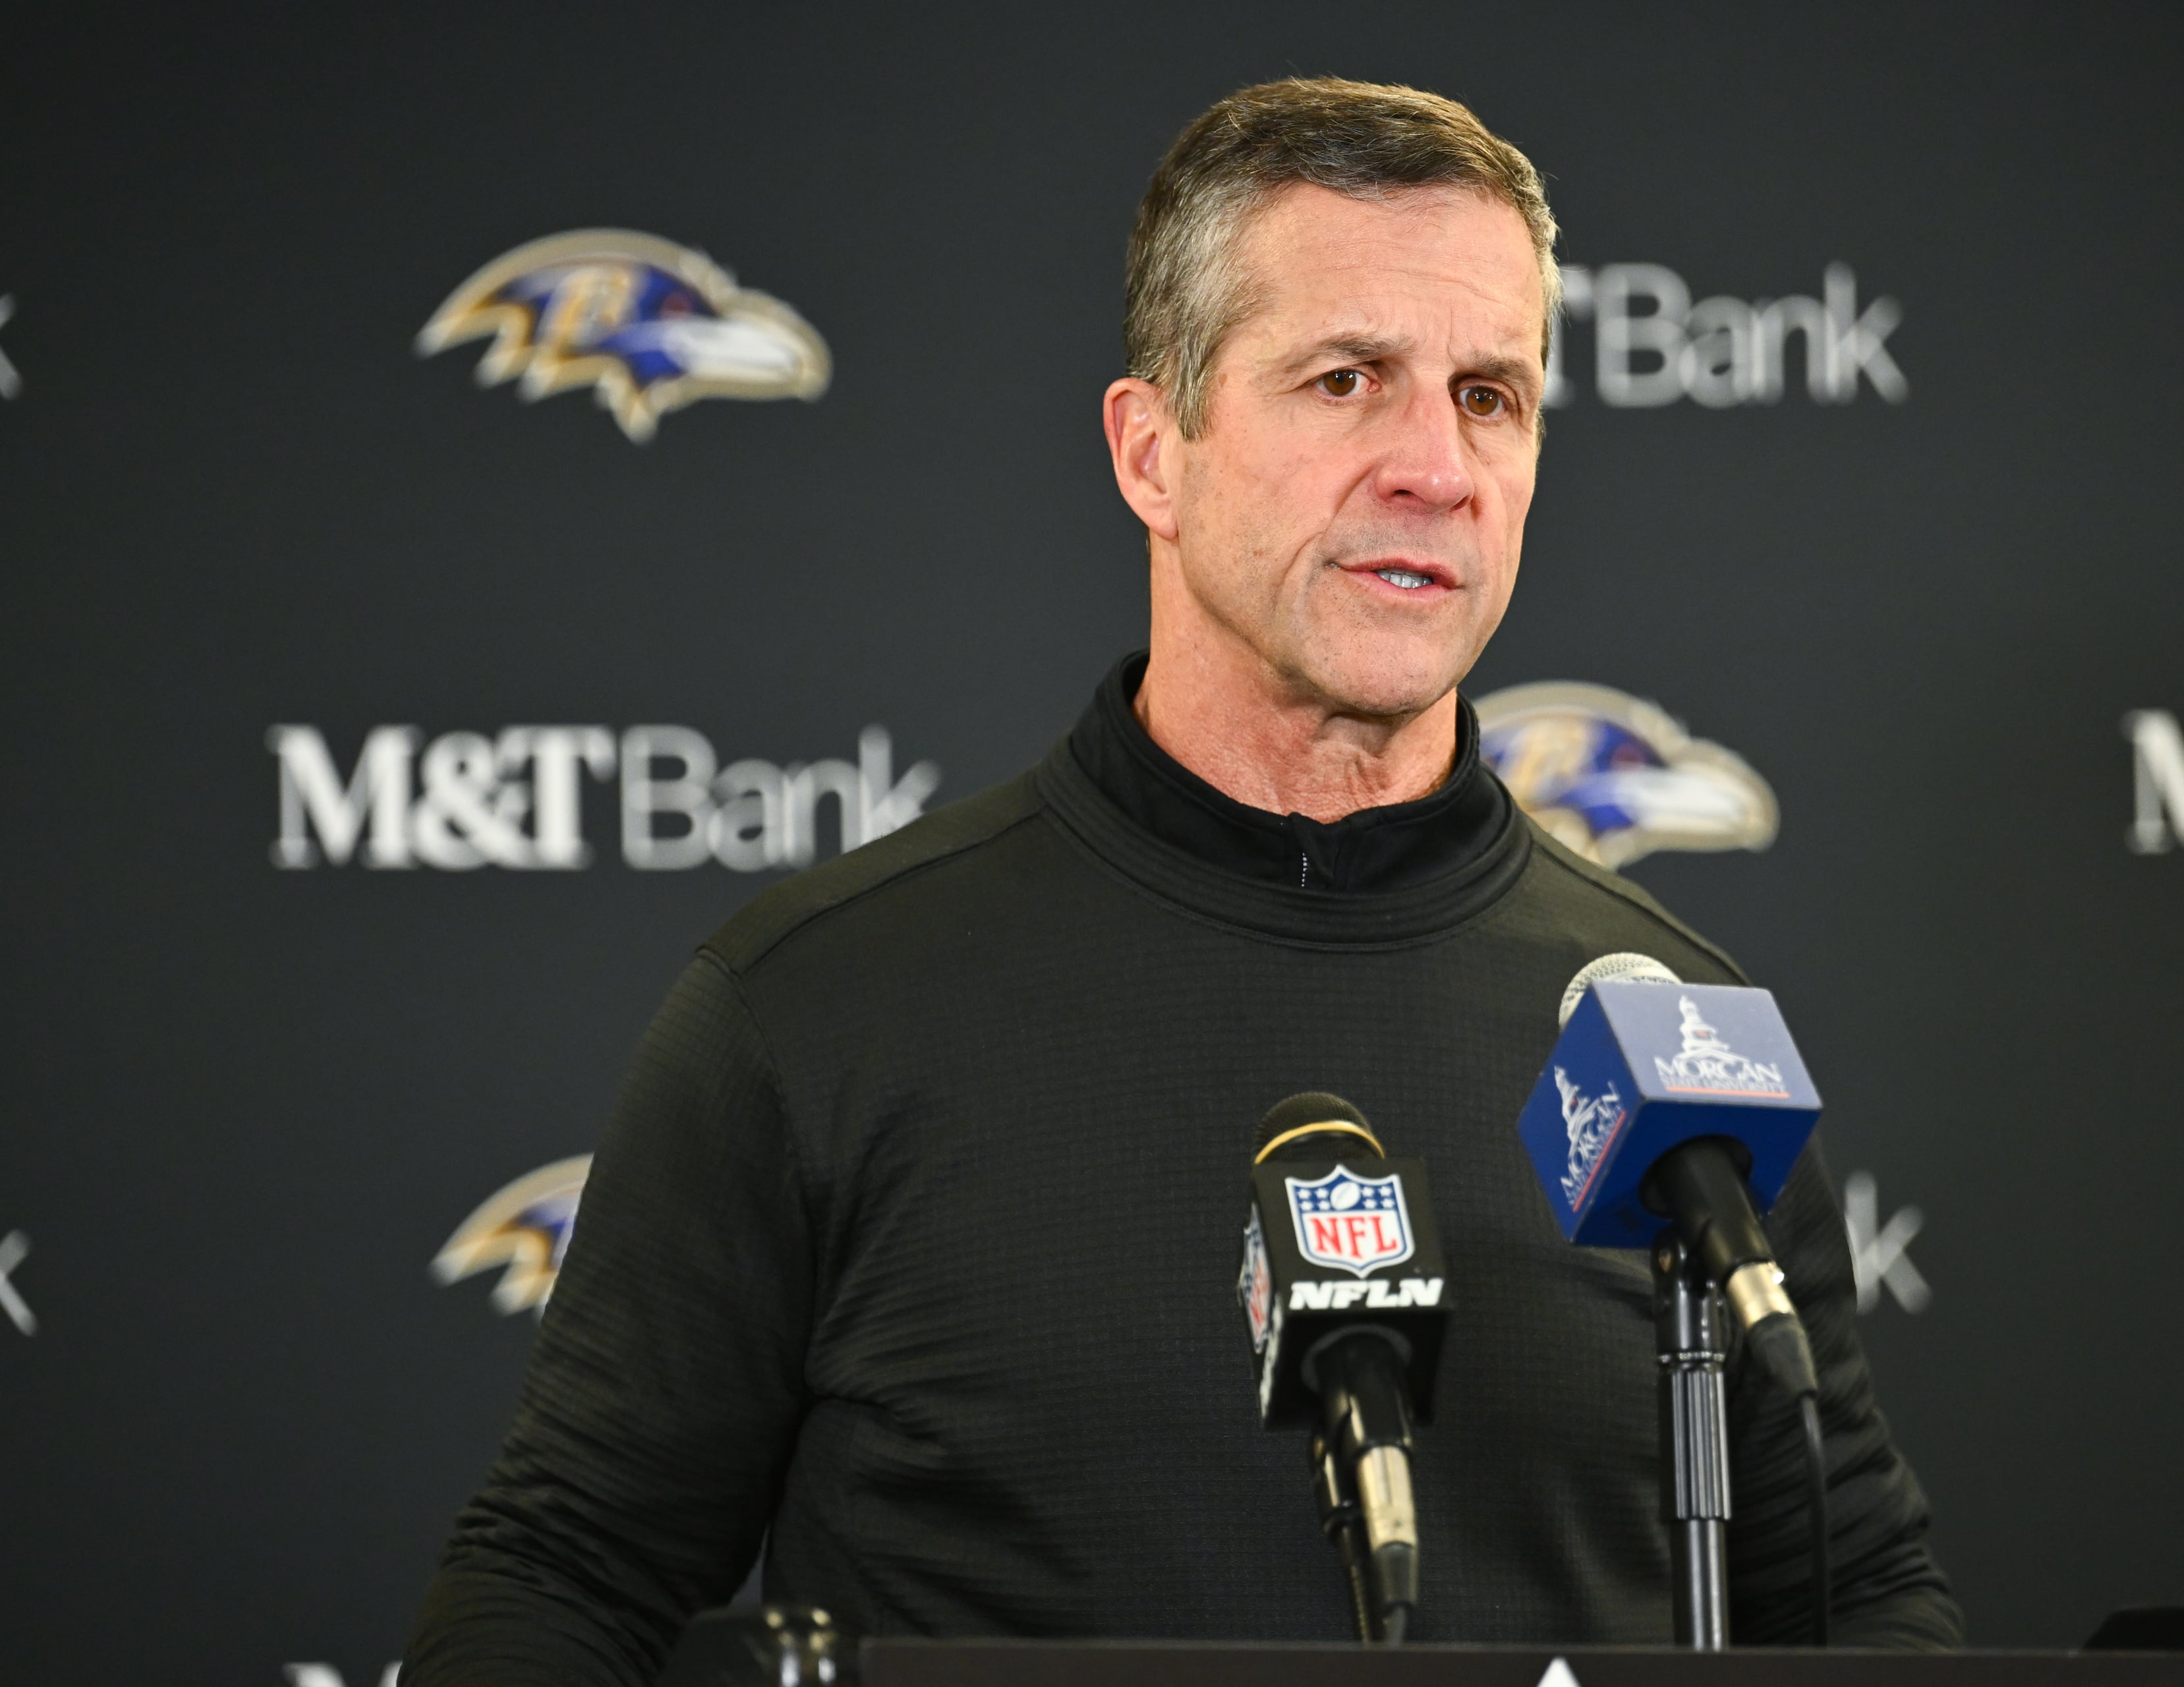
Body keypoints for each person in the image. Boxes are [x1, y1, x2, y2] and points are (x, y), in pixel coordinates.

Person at [405, 76, 1961, 1684]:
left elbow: (1858, 1598)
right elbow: (561, 1575)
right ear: (1155, 452)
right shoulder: (813, 1008)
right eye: (1348, 379)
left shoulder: (1670, 1036)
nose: (1437, 463)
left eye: (1490, 394)